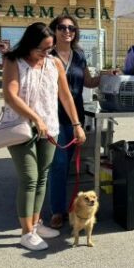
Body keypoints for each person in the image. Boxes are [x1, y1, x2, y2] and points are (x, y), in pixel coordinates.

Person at [1, 22, 86, 251]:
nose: (47, 53)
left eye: (50, 48)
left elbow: (66, 97)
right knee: (29, 178)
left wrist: (76, 125)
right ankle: (26, 233)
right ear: (29, 44)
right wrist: (35, 118)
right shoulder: (13, 61)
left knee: (42, 177)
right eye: (42, 49)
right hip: (21, 126)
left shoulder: (53, 63)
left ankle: (36, 223)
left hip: (49, 128)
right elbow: (10, 95)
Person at [46, 15, 105, 229]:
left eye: (71, 28)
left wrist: (105, 75)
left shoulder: (79, 55)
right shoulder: (47, 55)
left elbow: (87, 82)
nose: (67, 31)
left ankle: (63, 204)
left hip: (75, 117)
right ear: (54, 30)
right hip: (53, 116)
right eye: (62, 27)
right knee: (59, 164)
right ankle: (57, 211)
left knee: (66, 163)